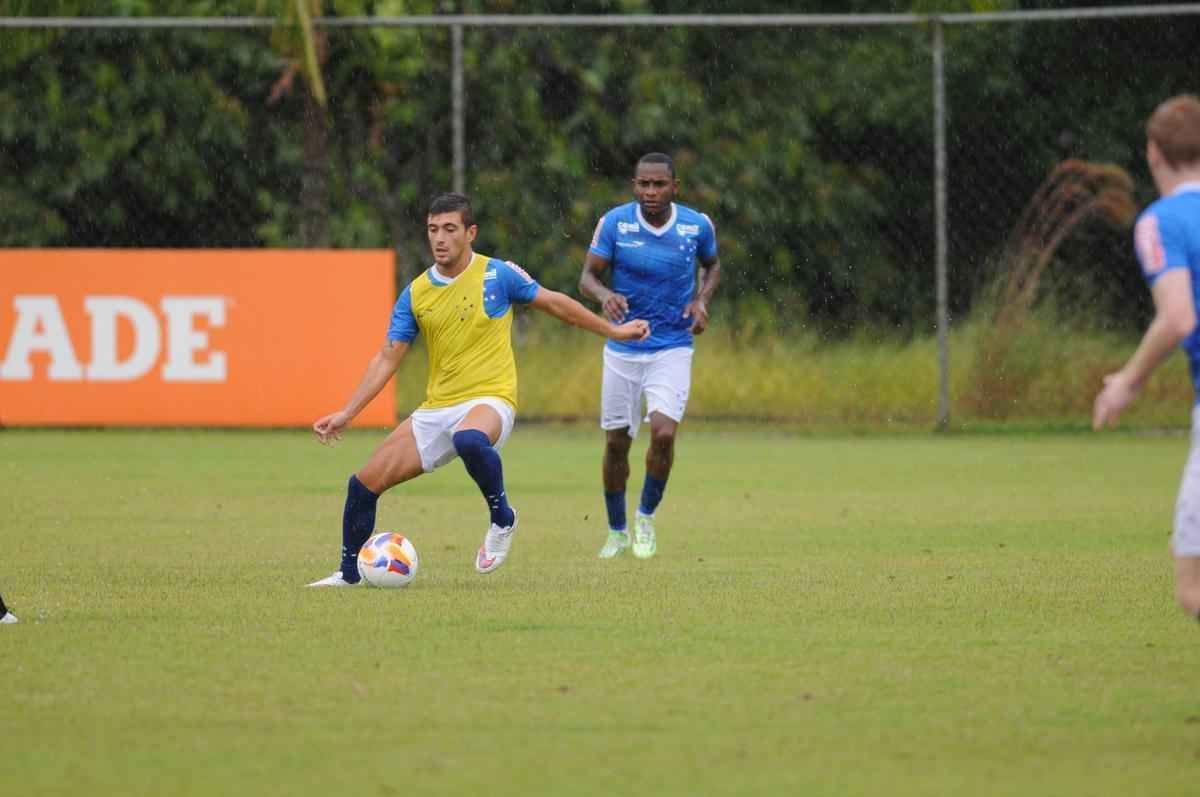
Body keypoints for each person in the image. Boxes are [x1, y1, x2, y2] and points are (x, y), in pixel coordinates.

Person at [308, 192, 649, 586]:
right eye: (433, 229)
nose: (439, 238)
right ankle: (349, 575)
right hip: (437, 407)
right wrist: (347, 413)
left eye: (450, 229)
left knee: (469, 439)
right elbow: (387, 357)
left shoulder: (497, 275)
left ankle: (502, 518)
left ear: (470, 233)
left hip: (492, 399)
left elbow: (556, 304)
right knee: (363, 484)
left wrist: (614, 331)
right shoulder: (417, 293)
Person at [578, 152, 721, 560]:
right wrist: (606, 296)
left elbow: (712, 266)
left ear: (675, 187)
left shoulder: (696, 224)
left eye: (659, 184)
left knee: (663, 433)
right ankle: (616, 531)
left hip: (672, 345)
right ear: (634, 186)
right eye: (644, 184)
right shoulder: (615, 222)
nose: (651, 192)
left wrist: (701, 301)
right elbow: (587, 277)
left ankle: (645, 517)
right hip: (623, 347)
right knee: (617, 443)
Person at [1093, 94, 1200, 620]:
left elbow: (1179, 317)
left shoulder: (1162, 222)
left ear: (1154, 153)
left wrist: (1128, 382)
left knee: (1193, 590)